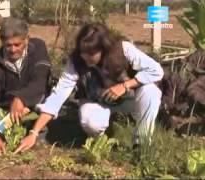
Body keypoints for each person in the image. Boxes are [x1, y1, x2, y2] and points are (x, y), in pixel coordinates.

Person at [15, 23, 164, 154]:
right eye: (83, 52)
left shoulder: (123, 49)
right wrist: (34, 133)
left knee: (150, 91)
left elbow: (157, 71)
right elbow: (58, 95)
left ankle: (141, 144)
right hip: (98, 102)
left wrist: (125, 85)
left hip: (129, 100)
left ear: (104, 49)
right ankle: (100, 142)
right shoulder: (76, 62)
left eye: (91, 54)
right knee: (89, 120)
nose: (86, 57)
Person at [0, 17, 51, 156]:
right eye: (8, 45)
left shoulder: (38, 48)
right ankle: (13, 129)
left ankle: (39, 130)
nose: (13, 50)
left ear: (27, 39)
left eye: (17, 44)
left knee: (44, 101)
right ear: (2, 43)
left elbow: (40, 82)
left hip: (36, 98)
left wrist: (20, 98)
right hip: (9, 108)